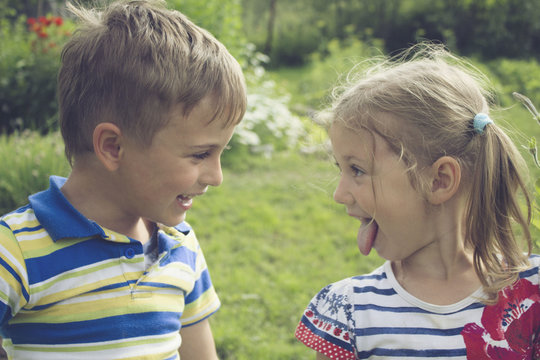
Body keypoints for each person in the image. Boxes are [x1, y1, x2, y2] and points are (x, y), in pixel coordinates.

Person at [0, 0, 246, 359]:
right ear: (113, 147)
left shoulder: (181, 247)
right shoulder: (16, 252)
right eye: (199, 154)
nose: (217, 176)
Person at [295, 43, 540, 360]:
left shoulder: (532, 292)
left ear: (439, 180)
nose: (339, 194)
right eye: (340, 169)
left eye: (357, 170)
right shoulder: (351, 314)